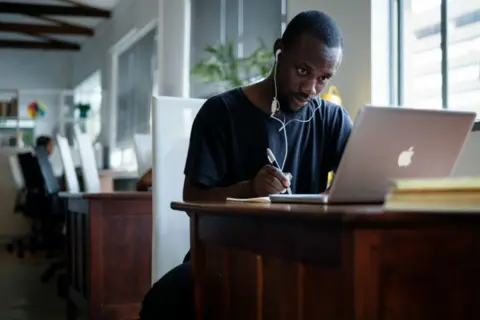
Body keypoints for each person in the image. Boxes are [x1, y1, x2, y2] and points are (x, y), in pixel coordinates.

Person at [139, 10, 352, 319]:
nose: (311, 88)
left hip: (303, 256)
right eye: (303, 70)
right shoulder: (220, 113)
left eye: (323, 78)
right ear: (279, 51)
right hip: (227, 255)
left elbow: (359, 179)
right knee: (164, 301)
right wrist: (249, 188)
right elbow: (194, 197)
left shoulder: (332, 120)